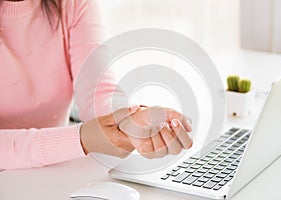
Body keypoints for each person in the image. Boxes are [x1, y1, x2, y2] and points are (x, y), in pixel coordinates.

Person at [0, 0, 193, 169]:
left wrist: (129, 122)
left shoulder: (73, 4)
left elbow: (98, 90)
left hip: (52, 173)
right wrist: (80, 139)